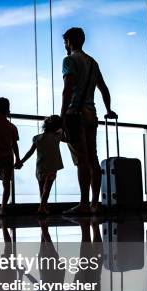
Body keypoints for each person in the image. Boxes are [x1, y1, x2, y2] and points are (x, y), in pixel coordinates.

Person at [60, 27, 117, 215]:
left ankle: (83, 204)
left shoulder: (69, 60)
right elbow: (104, 88)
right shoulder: (93, 62)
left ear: (69, 41)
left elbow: (68, 88)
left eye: (65, 41)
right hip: (91, 115)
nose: (65, 45)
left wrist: (62, 116)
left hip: (74, 115)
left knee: (81, 161)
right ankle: (94, 203)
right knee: (93, 159)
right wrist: (108, 110)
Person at [18, 115, 65, 215]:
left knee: (42, 188)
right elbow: (64, 131)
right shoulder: (58, 136)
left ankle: (44, 207)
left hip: (40, 166)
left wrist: (21, 161)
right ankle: (42, 207)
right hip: (52, 166)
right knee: (47, 189)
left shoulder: (37, 138)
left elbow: (30, 152)